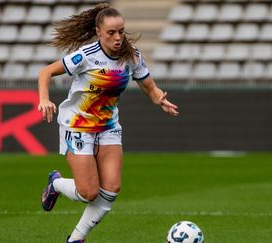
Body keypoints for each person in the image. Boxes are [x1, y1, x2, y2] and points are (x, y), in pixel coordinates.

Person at [37, 3, 179, 243]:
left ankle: (76, 239)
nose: (117, 37)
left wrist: (159, 99)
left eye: (121, 31)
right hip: (78, 125)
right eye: (111, 32)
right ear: (98, 31)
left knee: (111, 189)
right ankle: (56, 184)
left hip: (108, 127)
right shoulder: (86, 55)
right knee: (89, 193)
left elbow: (149, 86)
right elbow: (46, 72)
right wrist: (44, 99)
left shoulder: (131, 55)